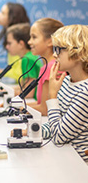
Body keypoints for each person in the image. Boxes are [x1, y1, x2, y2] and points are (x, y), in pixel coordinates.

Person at [42, 25, 88, 163]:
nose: (54, 55)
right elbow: (55, 123)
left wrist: (52, 95)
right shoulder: (67, 80)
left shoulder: (85, 93)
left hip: (78, 166)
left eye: (59, 50)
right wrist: (31, 130)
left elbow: (58, 136)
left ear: (79, 53)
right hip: (64, 157)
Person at [27, 18, 64, 115]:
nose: (29, 42)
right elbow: (41, 103)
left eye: (34, 37)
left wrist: (20, 109)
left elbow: (44, 109)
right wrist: (17, 106)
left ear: (50, 41)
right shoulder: (46, 66)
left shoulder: (51, 67)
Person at [0, 2, 30, 82]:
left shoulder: (19, 45)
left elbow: (20, 73)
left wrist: (2, 72)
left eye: (3, 13)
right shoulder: (12, 39)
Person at [5, 23, 42, 99]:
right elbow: (22, 87)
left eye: (9, 43)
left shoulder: (27, 59)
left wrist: (3, 93)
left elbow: (28, 93)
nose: (7, 46)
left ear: (21, 44)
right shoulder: (30, 56)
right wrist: (3, 90)